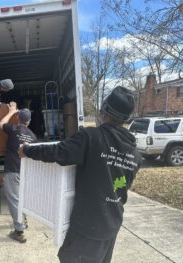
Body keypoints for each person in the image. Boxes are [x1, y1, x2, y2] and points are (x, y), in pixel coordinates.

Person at [18, 86, 142, 262]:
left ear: (104, 110)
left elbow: (58, 152)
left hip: (88, 225)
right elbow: (122, 187)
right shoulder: (135, 155)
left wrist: (27, 150)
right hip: (112, 224)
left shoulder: (91, 137)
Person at [0, 102, 37, 243]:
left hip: (13, 171)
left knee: (14, 200)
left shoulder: (13, 129)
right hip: (25, 172)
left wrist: (11, 111)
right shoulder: (33, 136)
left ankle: (19, 231)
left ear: (18, 118)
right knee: (22, 198)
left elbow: (1, 124)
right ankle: (24, 221)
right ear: (29, 121)